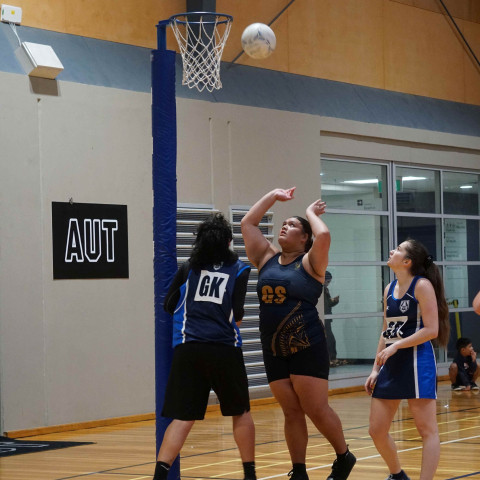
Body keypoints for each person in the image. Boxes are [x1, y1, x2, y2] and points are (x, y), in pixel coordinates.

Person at [241, 187, 356, 480]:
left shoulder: (310, 262)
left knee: (315, 409)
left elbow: (325, 236)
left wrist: (308, 213)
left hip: (306, 344)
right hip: (273, 348)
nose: (284, 227)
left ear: (305, 238)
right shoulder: (265, 257)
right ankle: (299, 471)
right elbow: (248, 224)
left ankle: (344, 456)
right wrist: (271, 196)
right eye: (284, 224)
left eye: (292, 226)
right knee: (291, 412)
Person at [152, 213, 256, 480]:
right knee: (240, 412)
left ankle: (159, 475)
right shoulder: (240, 269)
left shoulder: (189, 267)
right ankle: (249, 474)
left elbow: (168, 304)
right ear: (228, 242)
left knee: (183, 417)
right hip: (224, 348)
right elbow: (238, 314)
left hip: (190, 348)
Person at [364, 239, 450, 480]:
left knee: (427, 429)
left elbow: (431, 330)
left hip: (417, 360)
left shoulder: (421, 286)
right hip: (391, 362)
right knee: (376, 430)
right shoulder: (389, 288)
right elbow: (386, 330)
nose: (392, 251)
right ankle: (398, 475)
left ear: (407, 261)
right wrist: (374, 369)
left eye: (399, 249)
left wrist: (397, 346)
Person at [324, 271, 340, 366]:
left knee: (330, 339)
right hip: (324, 318)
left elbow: (328, 304)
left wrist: (334, 301)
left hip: (327, 318)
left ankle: (332, 358)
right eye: (328, 281)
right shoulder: (320, 289)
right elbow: (325, 305)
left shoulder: (325, 289)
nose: (328, 283)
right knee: (329, 339)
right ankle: (330, 358)